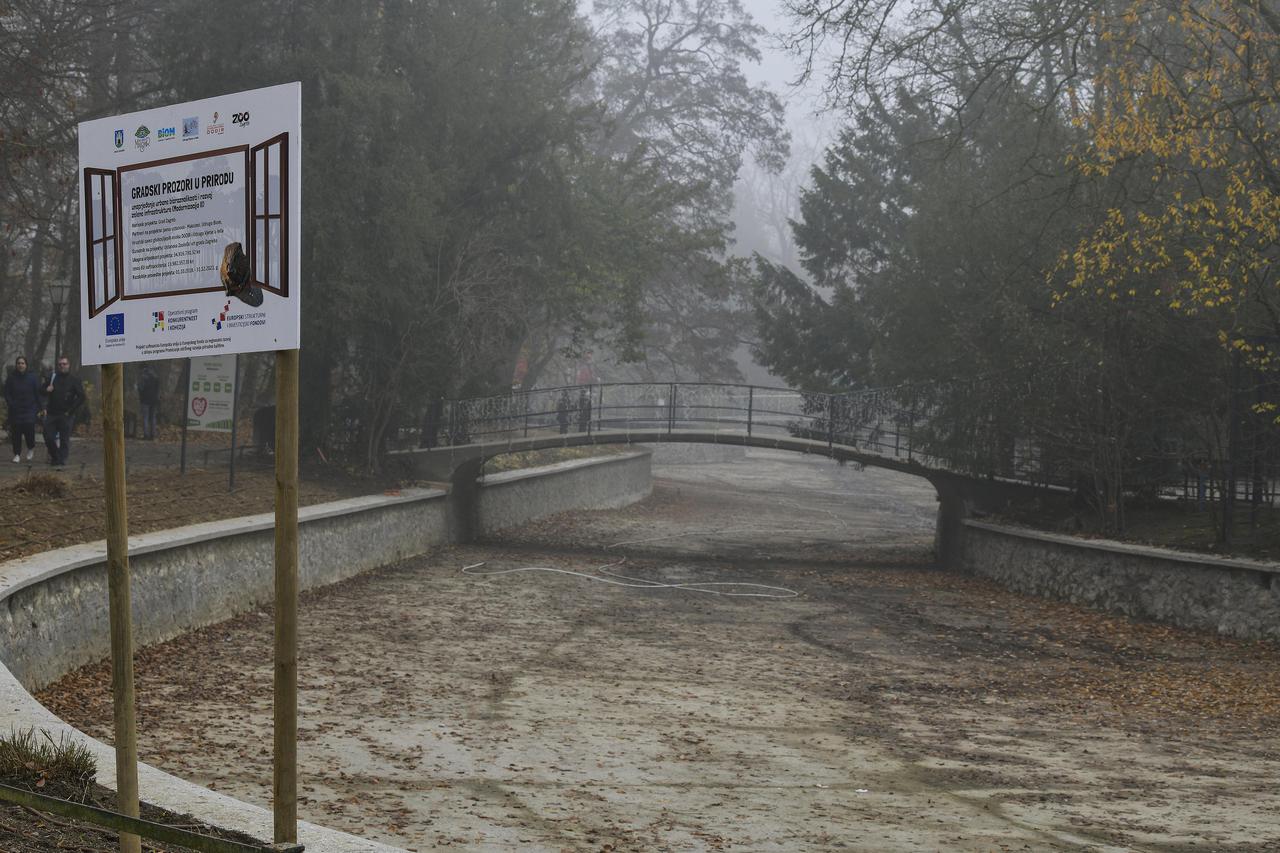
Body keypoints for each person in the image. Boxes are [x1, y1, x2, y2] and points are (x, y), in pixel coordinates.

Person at [42, 356, 85, 467]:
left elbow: (81, 397)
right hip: (52, 413)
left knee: (64, 439)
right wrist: (46, 389)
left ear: (68, 365)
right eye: (60, 364)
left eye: (64, 364)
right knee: (48, 437)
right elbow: (40, 390)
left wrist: (71, 410)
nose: (62, 366)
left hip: (66, 414)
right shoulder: (52, 377)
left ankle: (61, 461)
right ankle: (56, 456)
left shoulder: (74, 380)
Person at [3, 357, 39, 462]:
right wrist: (11, 403)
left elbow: (37, 393)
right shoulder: (11, 378)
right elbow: (7, 393)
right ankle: (17, 454)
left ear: (26, 365)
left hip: (29, 410)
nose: (20, 365)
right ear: (16, 365)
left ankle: (31, 448)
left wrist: (40, 407)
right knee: (16, 434)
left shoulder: (32, 378)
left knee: (29, 432)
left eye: (22, 363)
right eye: (18, 363)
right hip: (16, 410)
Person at [137, 364, 161, 440]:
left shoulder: (143, 377)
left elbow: (141, 388)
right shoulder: (156, 377)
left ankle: (146, 435)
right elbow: (158, 390)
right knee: (153, 418)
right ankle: (153, 435)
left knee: (146, 418)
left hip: (145, 400)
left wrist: (138, 388)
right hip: (154, 400)